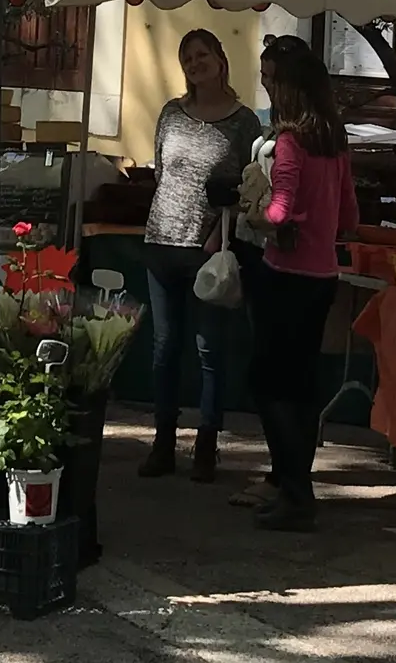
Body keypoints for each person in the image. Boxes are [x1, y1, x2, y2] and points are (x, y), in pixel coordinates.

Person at [138, 27, 264, 483]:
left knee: (209, 349)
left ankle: (207, 444)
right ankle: (163, 443)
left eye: (202, 54)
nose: (195, 63)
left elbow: (251, 185)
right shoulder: (171, 114)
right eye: (188, 57)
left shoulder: (244, 121)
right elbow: (159, 171)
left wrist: (218, 229)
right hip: (161, 241)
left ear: (220, 58)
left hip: (208, 249)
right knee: (164, 348)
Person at [243, 37, 357, 530]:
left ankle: (293, 488)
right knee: (304, 385)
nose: (265, 85)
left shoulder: (289, 143)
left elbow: (279, 211)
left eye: (271, 78)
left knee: (268, 384)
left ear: (290, 87)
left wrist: (257, 212)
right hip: (323, 276)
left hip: (284, 277)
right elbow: (350, 215)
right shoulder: (334, 142)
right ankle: (297, 486)